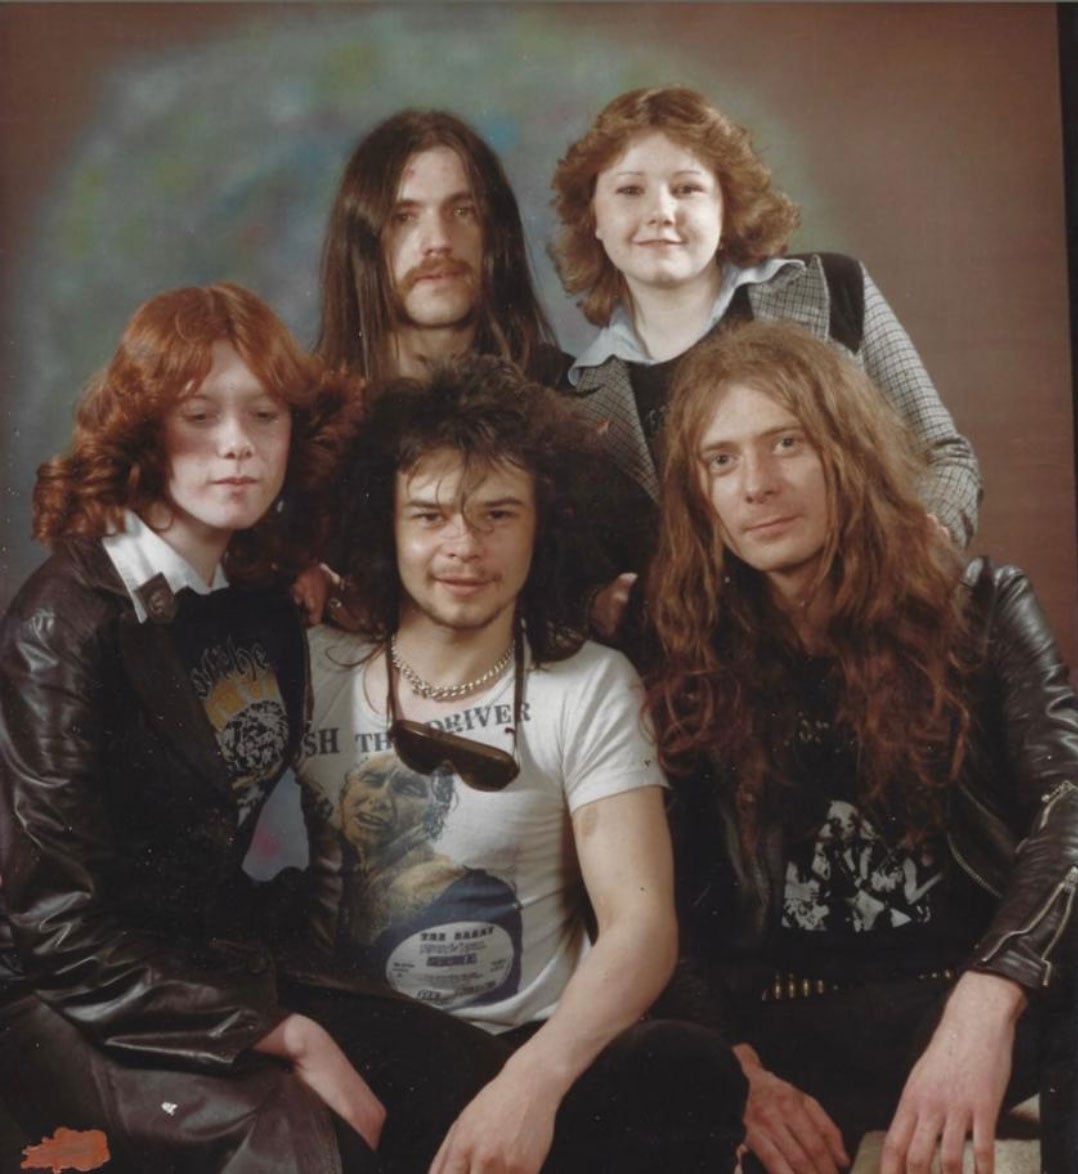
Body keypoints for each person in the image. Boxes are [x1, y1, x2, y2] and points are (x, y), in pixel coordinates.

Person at [0, 284, 507, 1174]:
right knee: (290, 1131)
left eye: (263, 415)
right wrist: (281, 1032)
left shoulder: (257, 599)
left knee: (462, 1073)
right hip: (61, 995)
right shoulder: (64, 621)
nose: (236, 443)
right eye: (199, 415)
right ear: (144, 434)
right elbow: (52, 926)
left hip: (207, 963)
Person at [645, 319, 1078, 1172]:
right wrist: (736, 1069)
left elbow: (1071, 806)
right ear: (699, 495)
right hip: (782, 1031)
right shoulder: (678, 650)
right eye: (721, 460)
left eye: (787, 444)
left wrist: (988, 1003)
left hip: (965, 995)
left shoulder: (982, 607)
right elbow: (663, 899)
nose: (757, 485)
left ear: (849, 451)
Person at [297, 354, 747, 1172]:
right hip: (371, 1055)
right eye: (430, 516)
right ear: (384, 525)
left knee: (684, 1068)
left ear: (544, 524)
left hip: (542, 1054)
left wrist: (530, 1088)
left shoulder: (587, 686)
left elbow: (642, 926)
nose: (463, 547)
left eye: (498, 514)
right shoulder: (311, 675)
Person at [551, 85, 981, 571]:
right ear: (594, 221)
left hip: (873, 605)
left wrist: (926, 538)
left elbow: (944, 454)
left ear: (726, 207)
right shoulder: (582, 397)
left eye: (687, 188)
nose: (661, 212)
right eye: (630, 191)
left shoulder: (831, 287)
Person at [318, 107, 567, 387]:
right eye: (404, 218)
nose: (439, 241)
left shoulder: (570, 397)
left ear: (496, 233)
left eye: (462, 212)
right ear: (362, 242)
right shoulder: (304, 417)